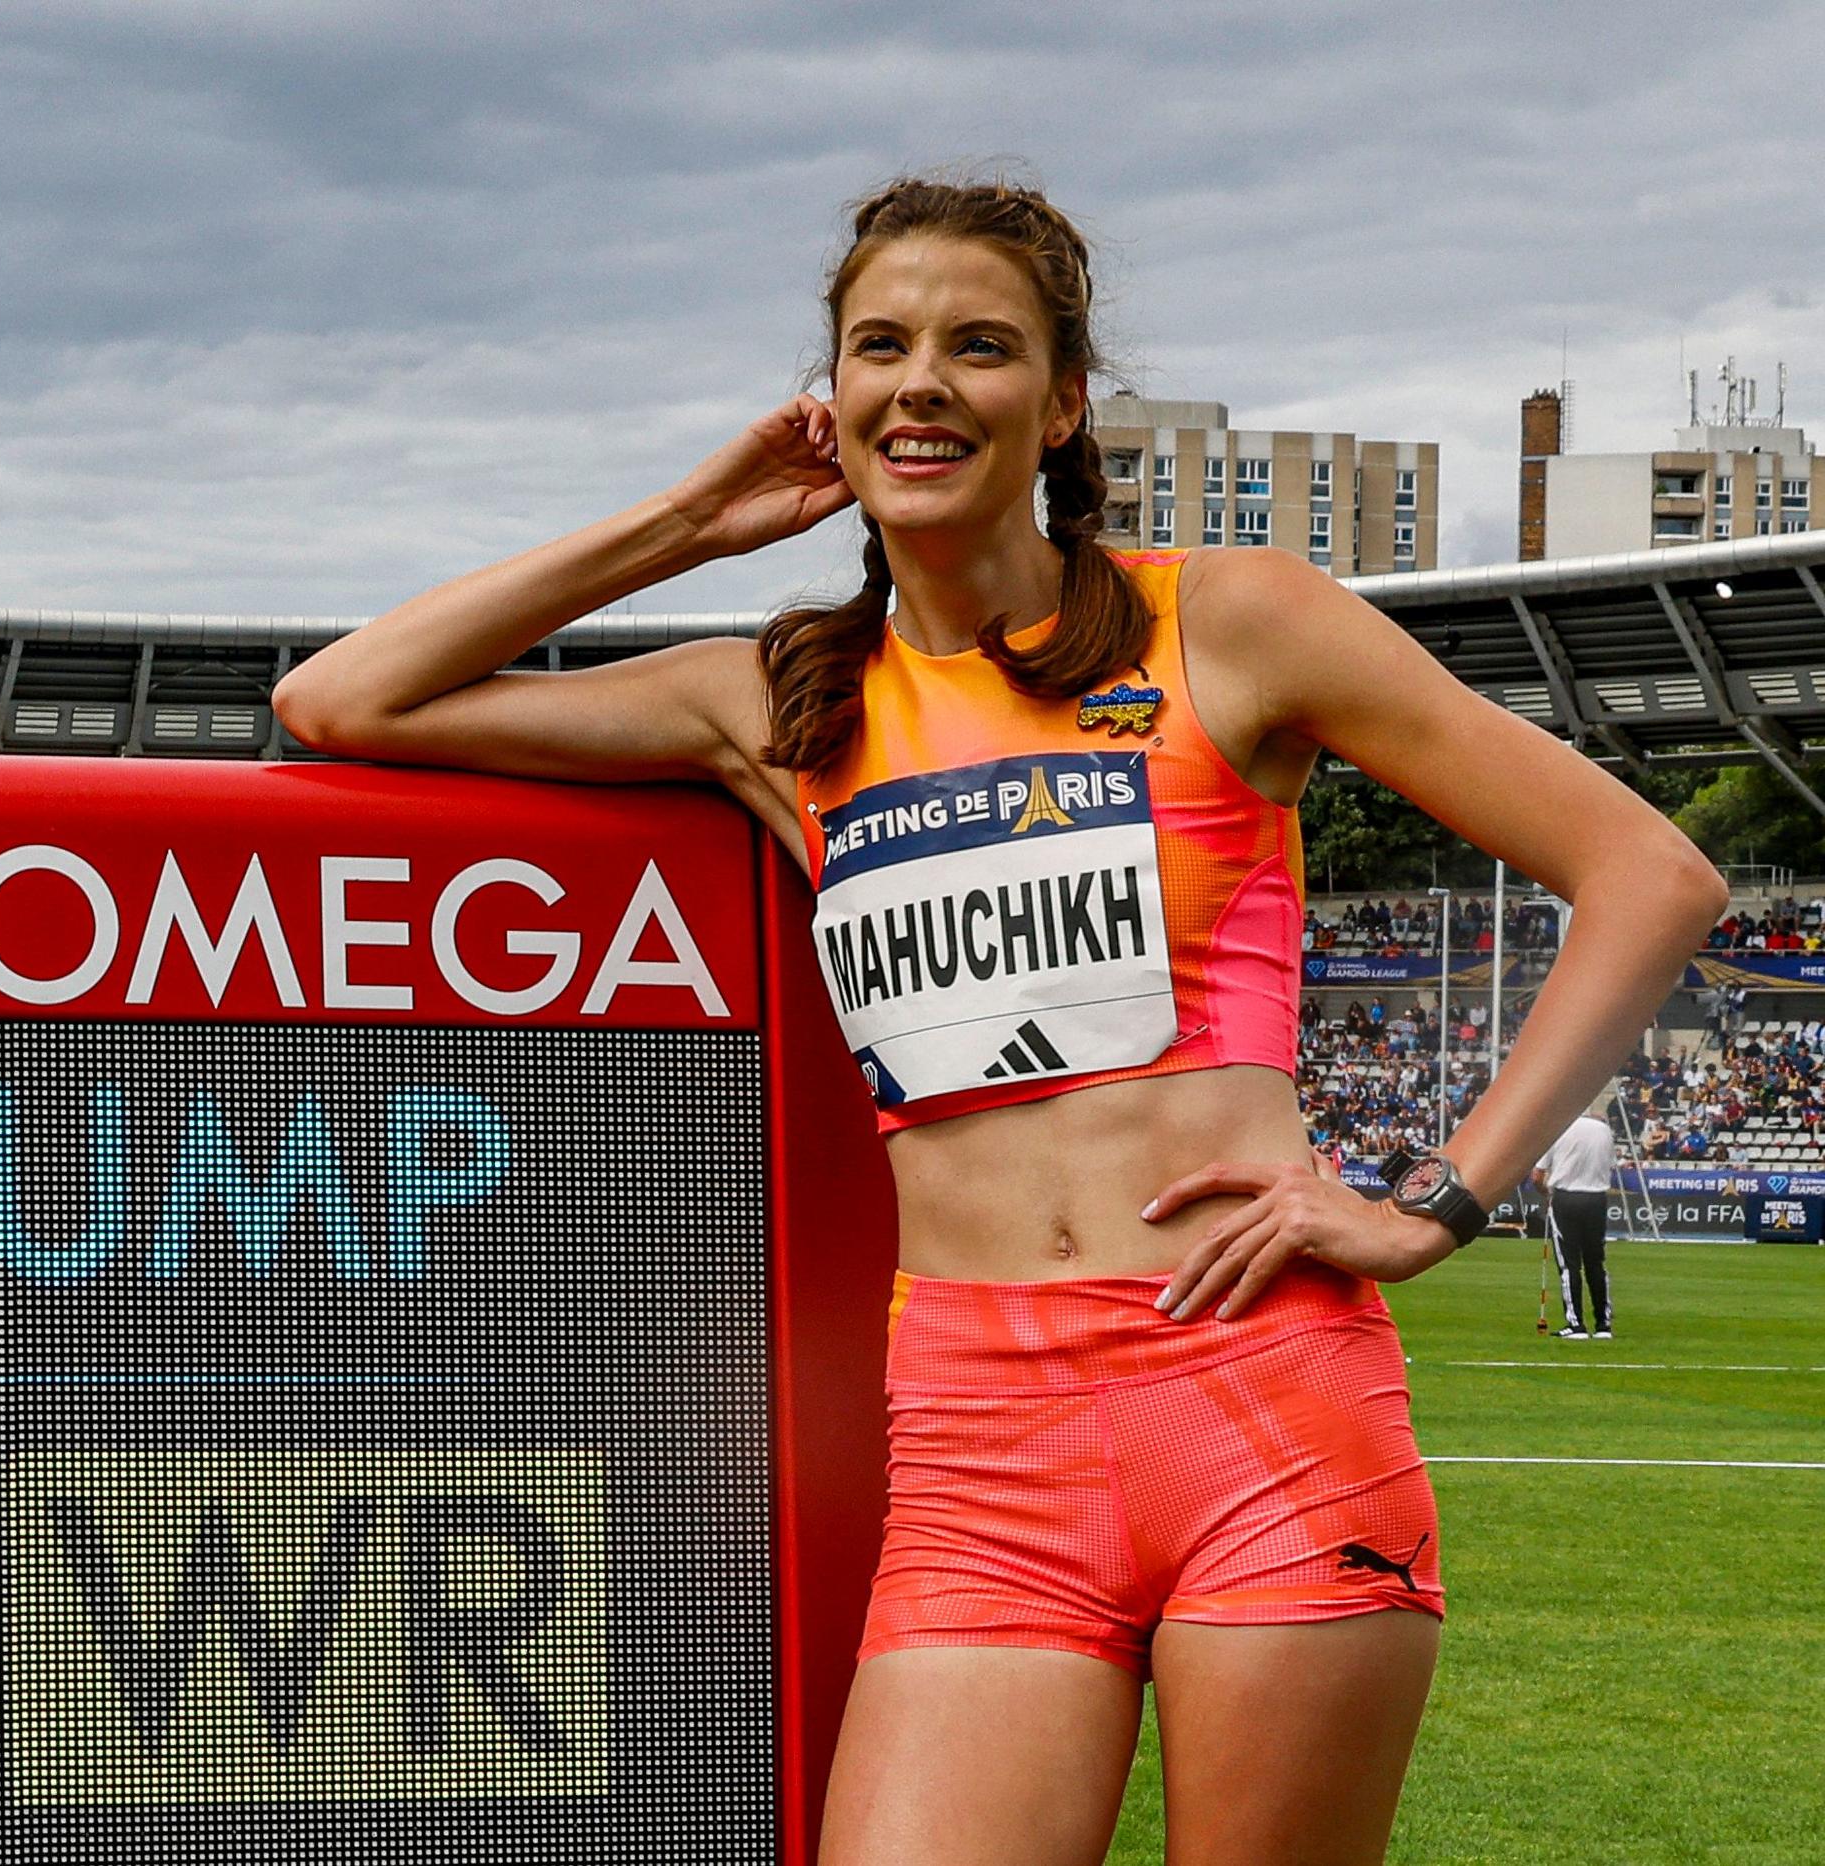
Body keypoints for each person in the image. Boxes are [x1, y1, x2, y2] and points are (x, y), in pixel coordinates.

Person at [271, 173, 1726, 1865]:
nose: (925, 382)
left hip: (1256, 1394)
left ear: (1062, 399)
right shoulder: (784, 702)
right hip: (977, 1441)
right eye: (880, 346)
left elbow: (1651, 876)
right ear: (832, 398)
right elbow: (343, 699)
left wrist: (1437, 1199)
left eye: (981, 345)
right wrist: (694, 519)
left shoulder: (1230, 626)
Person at [1534, 1099, 1619, 1338]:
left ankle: (1576, 1324)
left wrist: (1546, 1193)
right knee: (1595, 1262)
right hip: (1597, 1199)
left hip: (1566, 1199)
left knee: (1569, 1264)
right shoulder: (1603, 1130)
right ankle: (1603, 1324)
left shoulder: (1557, 1130)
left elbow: (1537, 1176)